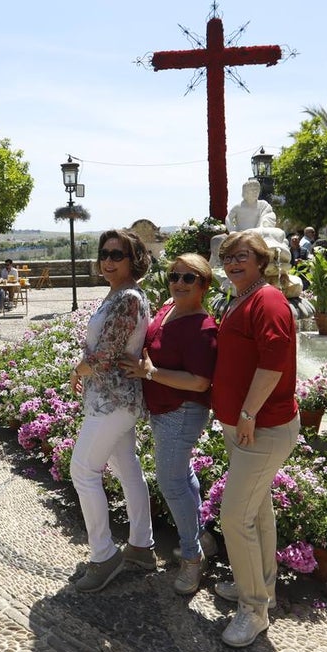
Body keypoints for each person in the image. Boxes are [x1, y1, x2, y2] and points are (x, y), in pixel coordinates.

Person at [210, 230, 299, 648]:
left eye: (241, 256)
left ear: (261, 260)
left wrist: (247, 412)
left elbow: (274, 363)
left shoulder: (268, 300)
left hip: (262, 428)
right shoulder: (242, 298)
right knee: (257, 511)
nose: (232, 263)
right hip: (245, 427)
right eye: (228, 257)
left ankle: (253, 610)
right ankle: (264, 588)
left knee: (234, 517)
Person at [119, 254, 217, 595]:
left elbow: (200, 382)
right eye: (174, 275)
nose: (178, 282)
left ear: (204, 285)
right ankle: (201, 534)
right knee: (182, 474)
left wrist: (151, 373)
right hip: (164, 408)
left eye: (189, 278)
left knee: (171, 482)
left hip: (182, 410)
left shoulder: (203, 328)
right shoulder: (169, 307)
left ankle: (192, 557)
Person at [68, 229, 154, 593]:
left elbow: (103, 355)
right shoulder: (121, 294)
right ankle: (141, 545)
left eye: (117, 255)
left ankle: (104, 556)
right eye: (104, 253)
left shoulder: (126, 298)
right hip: (117, 398)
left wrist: (77, 370)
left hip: (113, 400)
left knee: (83, 470)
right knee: (126, 467)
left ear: (133, 260)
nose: (108, 260)